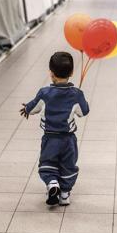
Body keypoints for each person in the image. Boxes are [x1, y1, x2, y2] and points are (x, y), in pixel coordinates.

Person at [20, 52, 90, 206]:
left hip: (50, 138)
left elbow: (32, 108)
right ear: (71, 73)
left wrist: (26, 109)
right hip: (68, 140)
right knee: (68, 165)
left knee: (48, 163)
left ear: (51, 73)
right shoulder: (76, 94)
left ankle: (52, 184)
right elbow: (84, 111)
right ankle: (64, 194)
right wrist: (80, 97)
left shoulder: (44, 93)